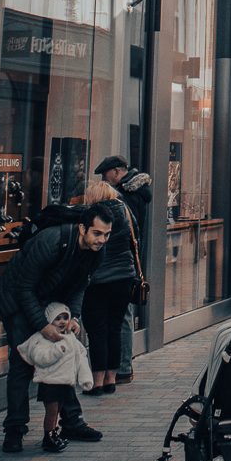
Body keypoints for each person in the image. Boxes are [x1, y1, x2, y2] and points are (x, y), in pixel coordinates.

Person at [0, 200, 115, 452]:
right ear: (82, 229)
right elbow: (23, 288)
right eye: (97, 233)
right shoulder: (50, 241)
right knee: (22, 362)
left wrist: (74, 318)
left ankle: (71, 422)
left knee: (64, 356)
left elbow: (81, 284)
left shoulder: (97, 251)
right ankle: (14, 430)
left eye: (106, 234)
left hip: (49, 301)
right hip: (16, 301)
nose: (102, 239)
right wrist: (42, 326)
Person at [73, 181, 137, 396]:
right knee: (114, 328)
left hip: (98, 279)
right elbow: (135, 237)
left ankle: (97, 382)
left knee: (97, 330)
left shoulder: (93, 216)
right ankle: (111, 378)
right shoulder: (125, 211)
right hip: (124, 277)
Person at [94, 153, 152, 384]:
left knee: (123, 316)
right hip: (127, 262)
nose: (105, 180)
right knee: (122, 315)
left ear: (118, 171)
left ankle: (122, 367)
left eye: (107, 175)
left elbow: (123, 230)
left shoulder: (127, 198)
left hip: (122, 262)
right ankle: (120, 366)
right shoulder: (135, 193)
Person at [17, 301, 94, 452]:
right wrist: (58, 349)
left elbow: (81, 356)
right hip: (50, 383)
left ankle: (53, 434)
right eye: (57, 318)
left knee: (57, 411)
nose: (62, 322)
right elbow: (40, 358)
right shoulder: (43, 338)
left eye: (65, 318)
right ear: (49, 320)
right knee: (51, 412)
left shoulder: (70, 337)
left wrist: (85, 378)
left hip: (64, 383)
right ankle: (49, 436)